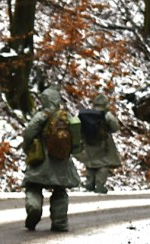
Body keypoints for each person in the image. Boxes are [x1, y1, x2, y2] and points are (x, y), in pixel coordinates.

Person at [21, 86, 81, 232]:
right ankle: (60, 222)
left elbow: (28, 132)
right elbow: (77, 141)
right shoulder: (68, 117)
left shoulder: (42, 116)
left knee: (33, 186)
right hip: (62, 161)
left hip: (41, 160)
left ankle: (34, 209)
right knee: (60, 191)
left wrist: (26, 147)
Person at [77, 93, 121, 194]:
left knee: (90, 162)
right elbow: (115, 127)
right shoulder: (106, 115)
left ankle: (89, 182)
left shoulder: (86, 115)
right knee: (103, 164)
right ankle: (100, 185)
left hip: (88, 142)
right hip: (103, 144)